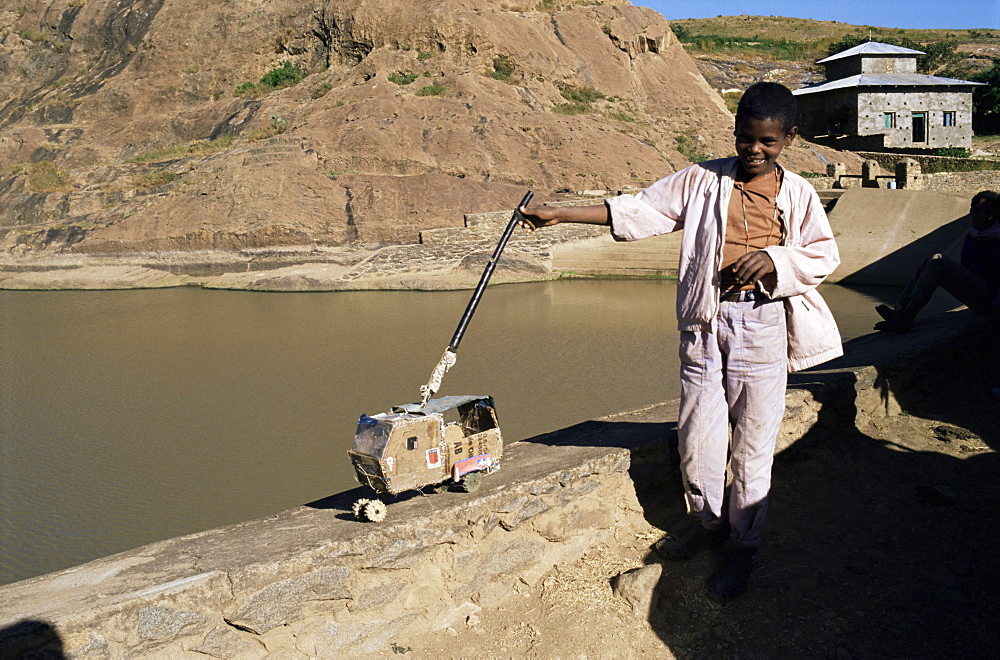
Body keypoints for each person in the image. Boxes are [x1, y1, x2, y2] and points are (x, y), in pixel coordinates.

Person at [518, 82, 842, 602]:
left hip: (761, 326)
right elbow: (641, 210)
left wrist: (777, 261)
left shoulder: (799, 194)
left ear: (789, 139)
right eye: (745, 139)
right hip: (704, 324)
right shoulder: (702, 179)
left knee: (754, 445)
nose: (754, 150)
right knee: (697, 436)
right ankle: (707, 524)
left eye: (768, 142)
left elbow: (823, 257)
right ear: (734, 133)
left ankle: (745, 544)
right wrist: (561, 213)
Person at [874, 190, 1000, 333]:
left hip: (991, 300)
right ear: (971, 211)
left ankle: (907, 316)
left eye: (989, 212)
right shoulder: (974, 235)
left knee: (938, 261)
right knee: (928, 261)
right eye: (979, 210)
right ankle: (900, 310)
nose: (982, 216)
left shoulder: (996, 238)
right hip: (978, 291)